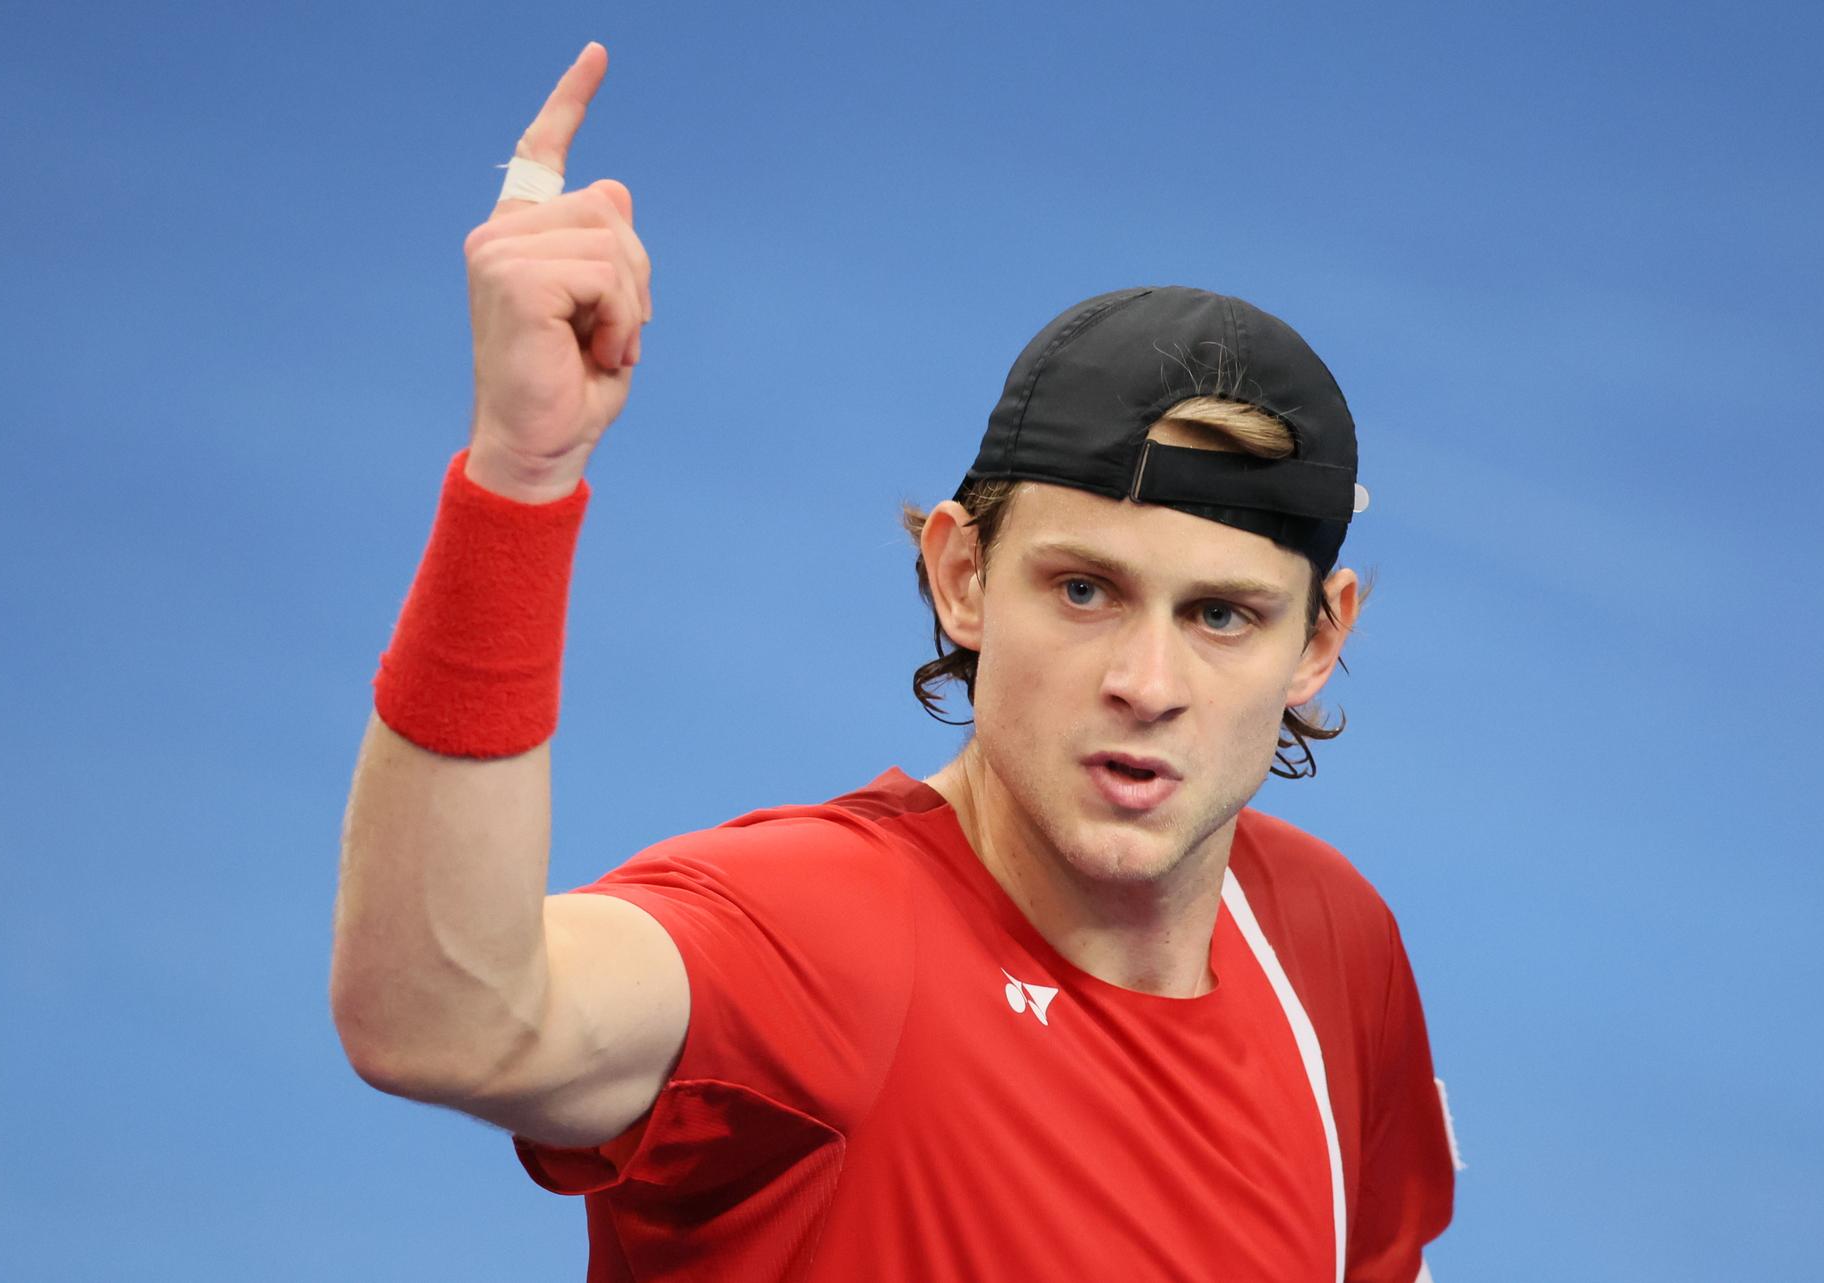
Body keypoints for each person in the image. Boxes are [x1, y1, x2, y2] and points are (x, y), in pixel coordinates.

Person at [331, 40, 1460, 1283]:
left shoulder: (1329, 945)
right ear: (963, 575)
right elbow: (441, 1020)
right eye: (1084, 590)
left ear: (1319, 639)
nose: (1148, 682)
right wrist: (519, 476)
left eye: (1223, 616)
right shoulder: (825, 941)